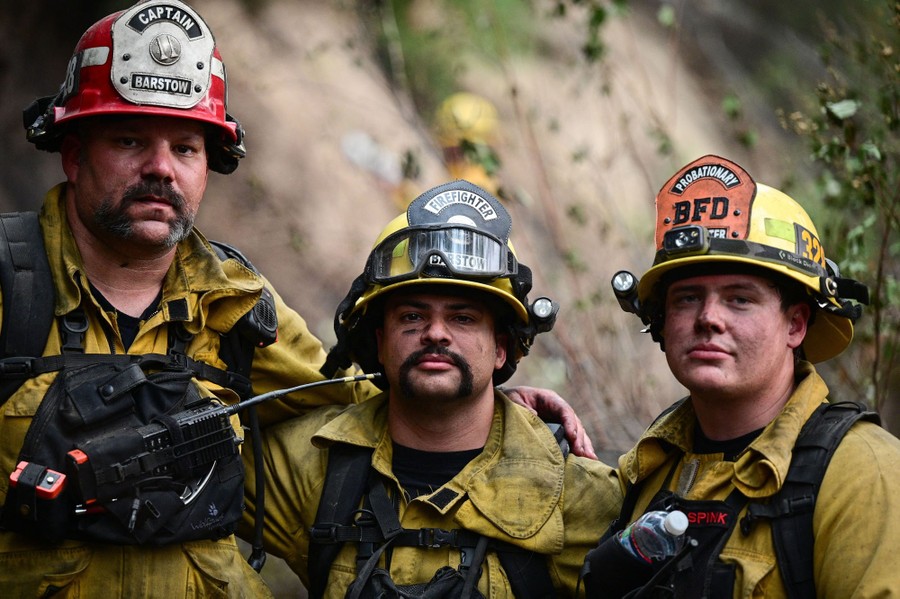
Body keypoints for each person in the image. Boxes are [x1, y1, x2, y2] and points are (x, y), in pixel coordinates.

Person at [0, 2, 591, 596]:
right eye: (130, 140)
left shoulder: (239, 306)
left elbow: (350, 395)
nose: (161, 169)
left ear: (209, 165)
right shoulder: (10, 285)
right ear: (73, 153)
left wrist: (482, 392)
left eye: (186, 148)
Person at [241, 179, 623, 597]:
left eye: (463, 318)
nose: (436, 333)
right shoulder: (312, 463)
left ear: (501, 348)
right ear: (380, 343)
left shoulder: (579, 496)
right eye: (411, 317)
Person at [583, 154, 900, 597]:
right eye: (688, 298)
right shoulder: (650, 471)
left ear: (795, 324)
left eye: (740, 299)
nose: (708, 318)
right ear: (661, 322)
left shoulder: (864, 473)